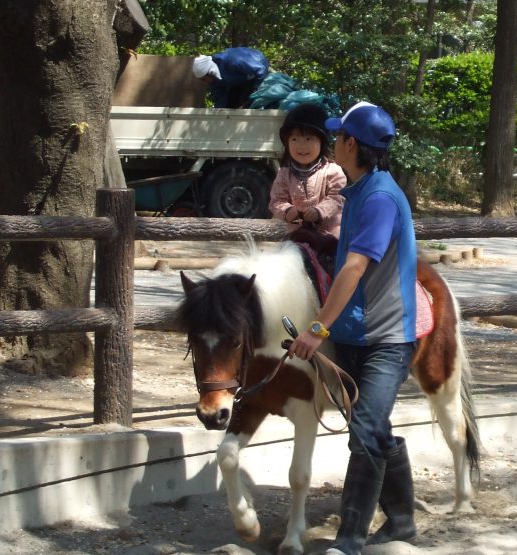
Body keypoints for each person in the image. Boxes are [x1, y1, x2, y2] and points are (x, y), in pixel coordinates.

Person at [287, 102, 417, 555]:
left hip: (386, 338)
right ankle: (401, 521)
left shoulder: (380, 198)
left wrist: (316, 330)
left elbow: (356, 267)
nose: (332, 141)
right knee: (373, 428)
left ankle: (349, 541)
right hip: (354, 334)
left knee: (363, 433)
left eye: (338, 136)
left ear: (352, 145)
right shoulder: (359, 190)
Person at [269, 103, 346, 238]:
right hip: (296, 235)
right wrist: (287, 210)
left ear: (322, 142)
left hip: (329, 235)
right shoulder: (284, 173)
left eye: (309, 139)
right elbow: (276, 200)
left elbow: (337, 197)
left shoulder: (333, 171)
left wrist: (320, 211)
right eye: (294, 139)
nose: (302, 146)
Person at [192, 47, 269, 108]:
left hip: (257, 71)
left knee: (248, 103)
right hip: (239, 80)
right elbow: (220, 99)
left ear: (210, 72)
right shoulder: (214, 81)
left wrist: (256, 90)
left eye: (204, 79)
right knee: (231, 105)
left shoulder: (234, 61)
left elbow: (260, 70)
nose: (205, 83)